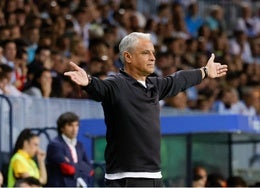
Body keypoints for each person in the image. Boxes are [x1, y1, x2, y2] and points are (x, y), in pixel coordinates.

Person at [64, 32, 228, 187]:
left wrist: (205, 71)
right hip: (127, 179)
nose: (153, 58)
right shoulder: (116, 84)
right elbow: (101, 88)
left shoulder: (154, 85)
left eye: (153, 53)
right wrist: (89, 82)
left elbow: (178, 80)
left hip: (154, 177)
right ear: (128, 57)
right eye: (145, 53)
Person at [46, 112, 94, 187]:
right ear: (62, 128)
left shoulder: (79, 145)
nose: (74, 129)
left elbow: (90, 170)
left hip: (80, 184)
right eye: (70, 125)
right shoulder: (55, 145)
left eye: (76, 125)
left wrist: (73, 165)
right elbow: (68, 169)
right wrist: (81, 165)